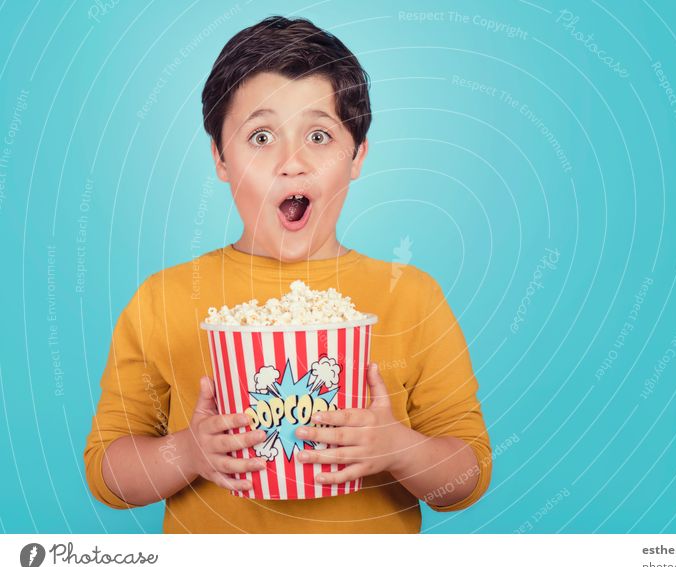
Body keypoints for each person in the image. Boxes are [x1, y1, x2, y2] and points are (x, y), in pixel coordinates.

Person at [84, 15, 491, 533]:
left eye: (319, 135)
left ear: (357, 155)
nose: (291, 162)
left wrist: (398, 448)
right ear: (220, 159)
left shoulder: (410, 297)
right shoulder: (162, 300)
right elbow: (107, 473)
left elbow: (467, 478)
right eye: (260, 137)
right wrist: (185, 453)